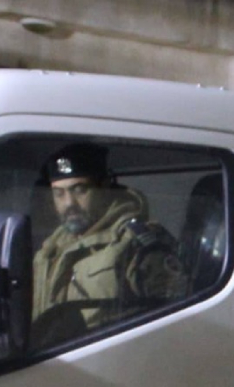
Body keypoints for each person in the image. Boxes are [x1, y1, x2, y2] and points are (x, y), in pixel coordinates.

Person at [31, 142, 188, 342]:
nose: (69, 203)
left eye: (79, 190)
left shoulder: (134, 244)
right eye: (59, 193)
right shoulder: (50, 250)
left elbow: (174, 325)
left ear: (104, 187)